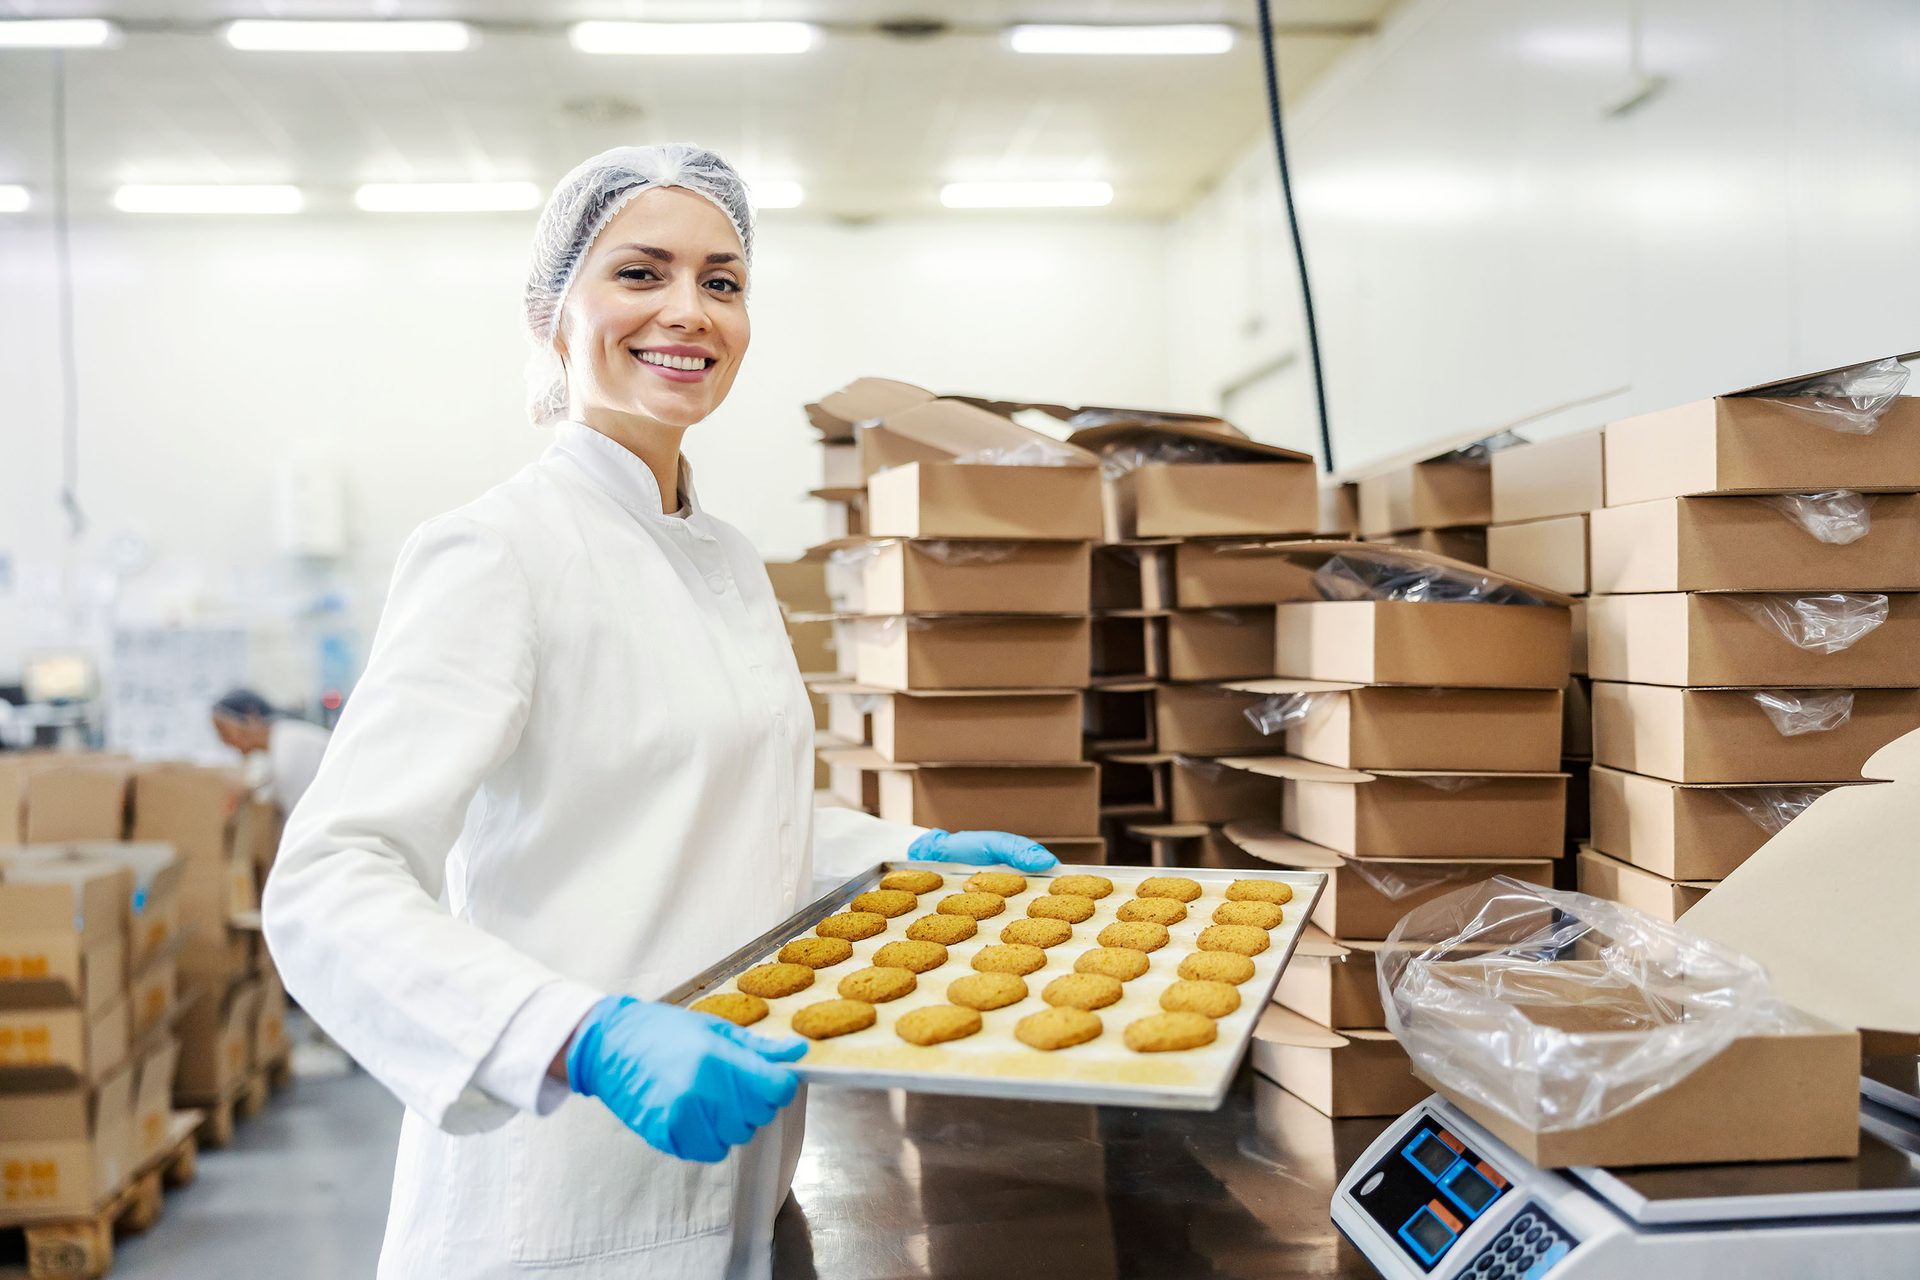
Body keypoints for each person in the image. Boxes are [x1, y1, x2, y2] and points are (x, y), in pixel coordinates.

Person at [260, 144, 1059, 1280]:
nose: (688, 310)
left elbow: (715, 807)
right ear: (552, 311)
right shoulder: (497, 551)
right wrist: (579, 1037)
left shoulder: (725, 557)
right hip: (560, 1201)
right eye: (640, 273)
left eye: (722, 281)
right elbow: (328, 879)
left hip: (743, 1174)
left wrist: (902, 856)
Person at [209, 688, 332, 815]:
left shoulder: (288, 752)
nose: (224, 741)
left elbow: (303, 817)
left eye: (223, 731)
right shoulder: (280, 742)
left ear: (250, 716)